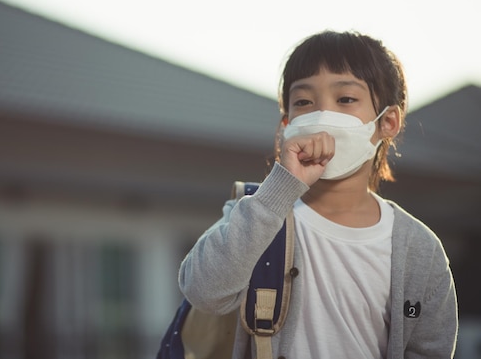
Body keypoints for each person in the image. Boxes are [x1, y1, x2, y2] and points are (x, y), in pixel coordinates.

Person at [178, 30, 458, 359]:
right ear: (286, 124)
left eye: (346, 99)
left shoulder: (419, 250)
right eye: (303, 102)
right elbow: (204, 291)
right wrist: (280, 188)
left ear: (389, 122)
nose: (322, 115)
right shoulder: (257, 211)